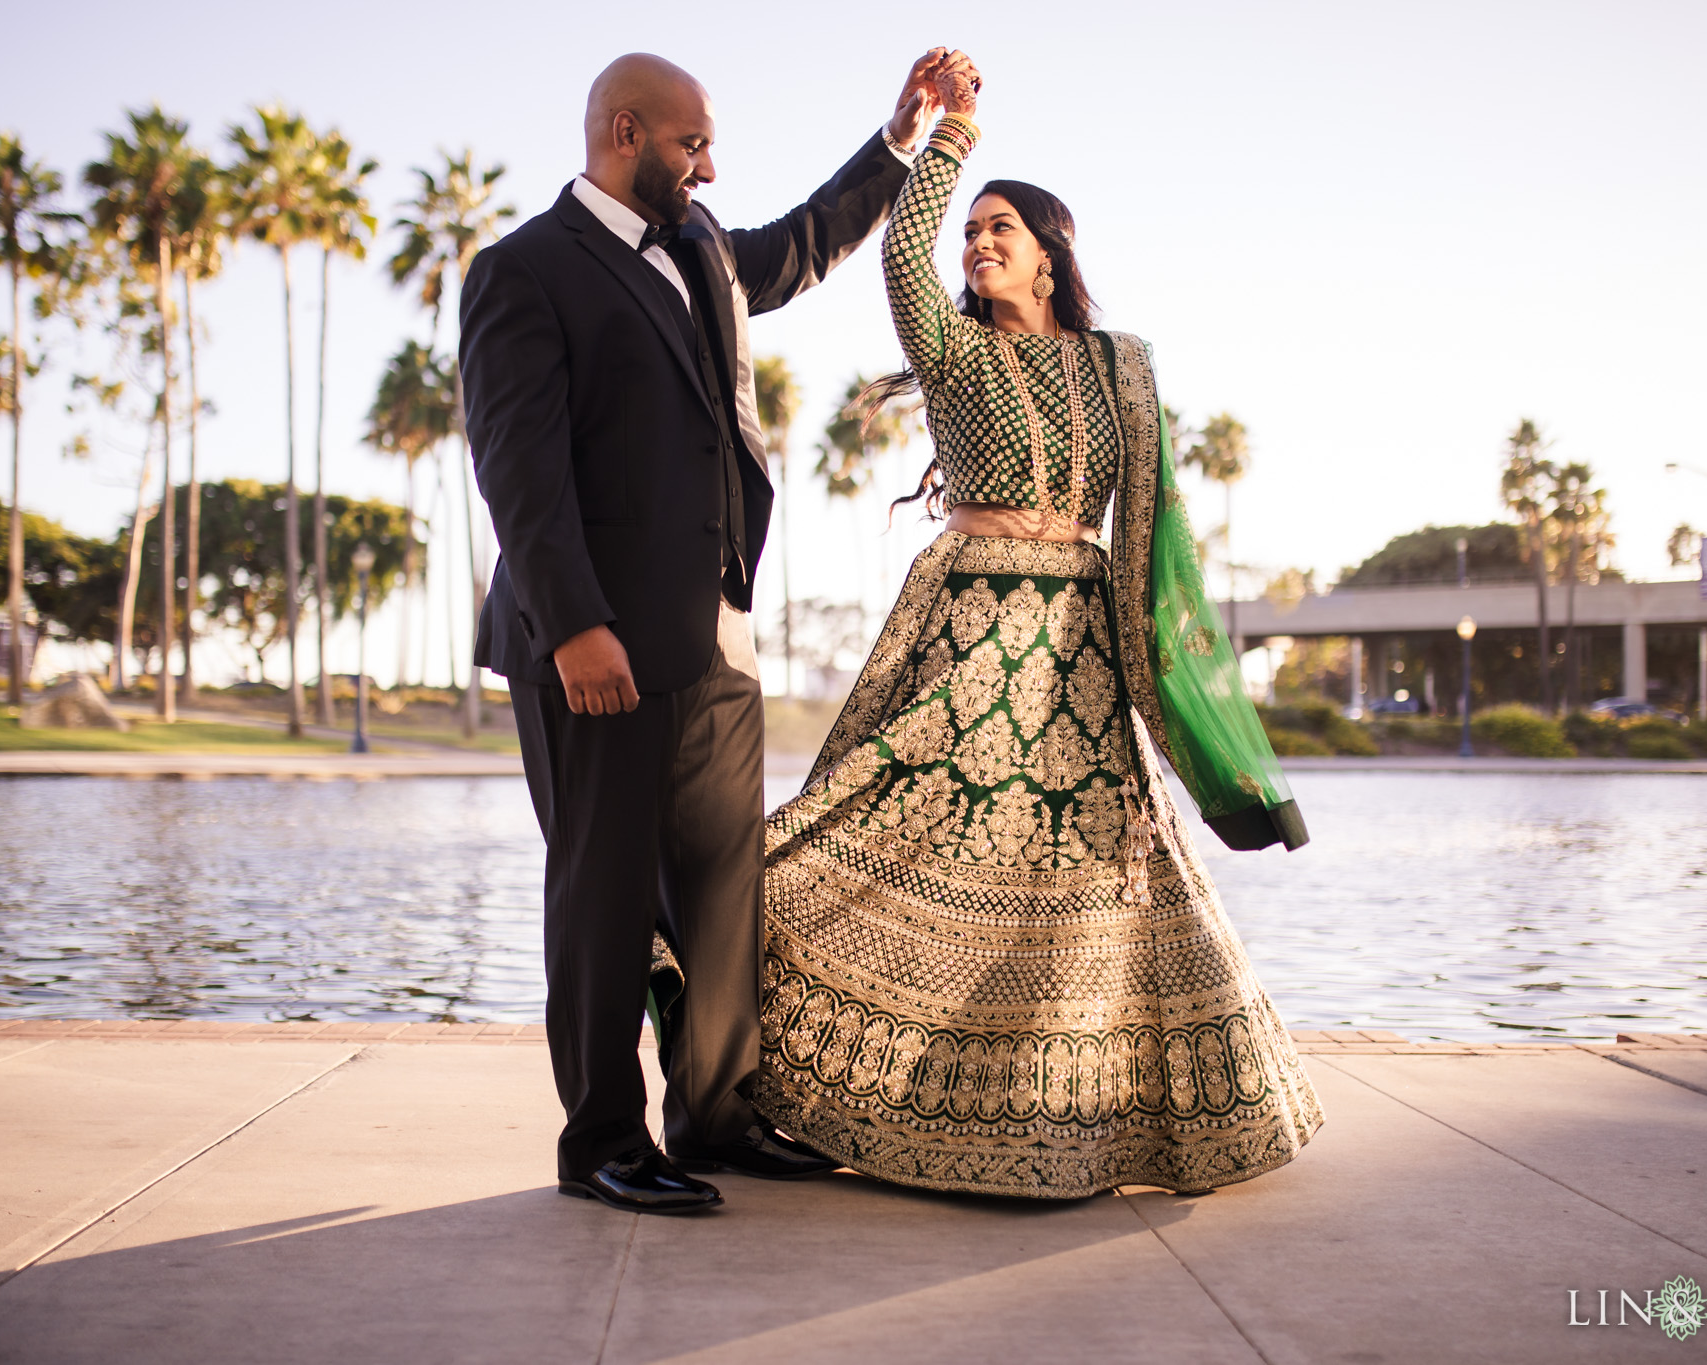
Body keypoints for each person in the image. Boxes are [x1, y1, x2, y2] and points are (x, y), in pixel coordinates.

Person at [752, 57, 1325, 1198]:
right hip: (966, 639)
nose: (977, 243)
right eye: (972, 229)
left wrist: (1173, 702)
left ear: (1053, 250)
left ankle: (1071, 1128)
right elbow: (904, 256)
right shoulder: (954, 352)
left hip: (1078, 647)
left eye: (1000, 227)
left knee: (1083, 881)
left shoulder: (1123, 368)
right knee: (882, 833)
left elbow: (1155, 538)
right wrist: (949, 135)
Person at [460, 50, 950, 1214]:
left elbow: (809, 238)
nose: (709, 165)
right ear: (624, 132)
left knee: (724, 893)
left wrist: (898, 144)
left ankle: (717, 1119)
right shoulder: (525, 272)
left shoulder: (701, 250)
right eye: (691, 145)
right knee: (603, 898)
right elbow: (517, 469)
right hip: (598, 647)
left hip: (714, 635)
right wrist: (574, 625)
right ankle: (600, 1144)